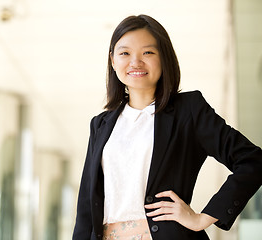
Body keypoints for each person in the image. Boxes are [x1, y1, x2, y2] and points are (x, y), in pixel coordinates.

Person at [72, 14, 262, 240]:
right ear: (113, 60)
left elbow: (252, 160)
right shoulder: (100, 125)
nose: (135, 62)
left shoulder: (188, 111)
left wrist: (204, 217)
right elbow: (86, 206)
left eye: (148, 52)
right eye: (124, 53)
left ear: (164, 59)